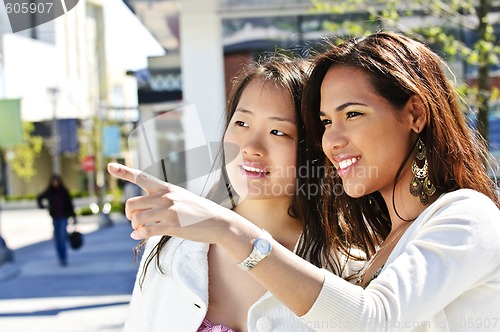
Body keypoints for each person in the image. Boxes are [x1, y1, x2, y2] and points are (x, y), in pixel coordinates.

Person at [109, 31, 500, 331]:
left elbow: (372, 319)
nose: (334, 138)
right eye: (327, 122)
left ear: (415, 113)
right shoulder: (385, 245)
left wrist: (229, 229)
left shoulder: (465, 216)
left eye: (353, 114)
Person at [120, 54, 362, 331]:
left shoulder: (347, 268)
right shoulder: (172, 245)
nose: (250, 146)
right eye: (242, 124)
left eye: (277, 131)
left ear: (316, 147)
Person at [37, 174, 76, 267]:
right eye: (53, 181)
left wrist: (74, 216)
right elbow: (39, 197)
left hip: (63, 217)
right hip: (55, 218)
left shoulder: (64, 192)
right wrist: (42, 206)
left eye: (56, 181)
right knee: (57, 239)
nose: (54, 183)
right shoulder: (50, 192)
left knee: (62, 238)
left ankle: (63, 257)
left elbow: (70, 204)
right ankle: (60, 257)